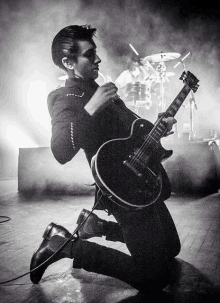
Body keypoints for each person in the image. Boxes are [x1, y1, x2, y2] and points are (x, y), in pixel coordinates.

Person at [30, 25, 181, 295]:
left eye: (95, 53)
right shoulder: (64, 99)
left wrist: (158, 126)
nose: (98, 59)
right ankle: (62, 245)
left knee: (172, 248)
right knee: (155, 278)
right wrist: (91, 108)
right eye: (89, 55)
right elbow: (61, 151)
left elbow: (133, 130)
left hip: (142, 180)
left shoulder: (103, 91)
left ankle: (97, 226)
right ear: (68, 62)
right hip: (121, 190)